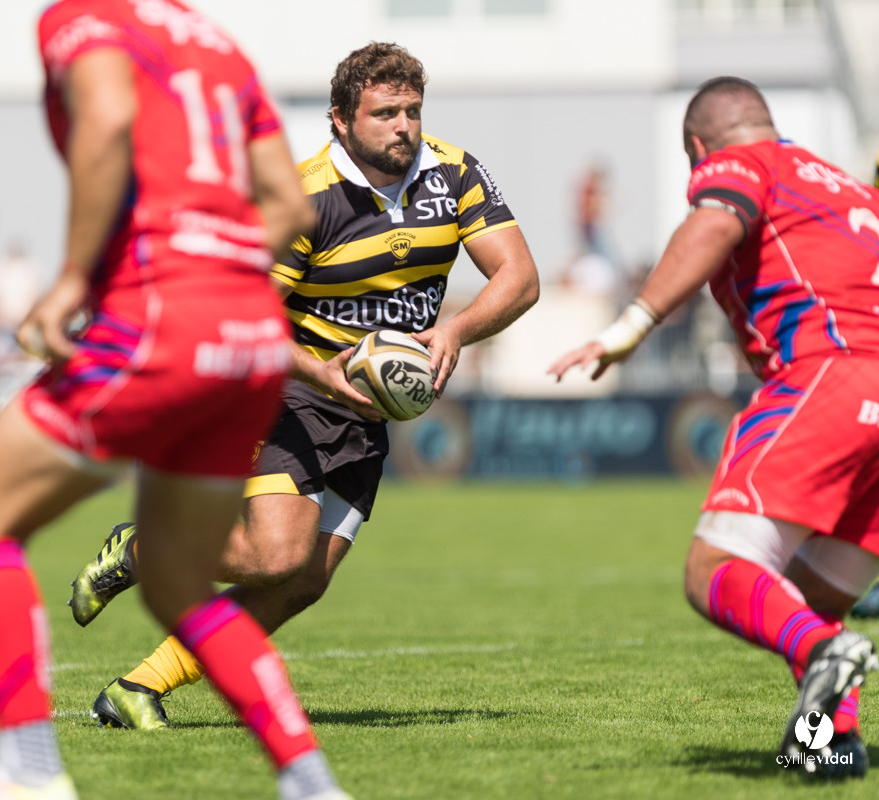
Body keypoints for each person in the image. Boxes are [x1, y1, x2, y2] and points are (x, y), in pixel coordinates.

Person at [0, 2, 351, 798]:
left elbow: (107, 116)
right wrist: (222, 271)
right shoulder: (218, 43)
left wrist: (76, 280)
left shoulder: (82, 18)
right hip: (252, 335)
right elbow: (291, 208)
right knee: (174, 581)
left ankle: (28, 771)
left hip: (159, 318)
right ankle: (310, 783)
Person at [68, 41, 540, 731]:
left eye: (411, 110)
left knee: (304, 580)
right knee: (275, 554)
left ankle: (137, 688)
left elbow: (519, 278)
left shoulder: (454, 172)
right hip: (282, 384)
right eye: (384, 113)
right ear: (340, 121)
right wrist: (317, 370)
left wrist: (454, 332)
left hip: (364, 407)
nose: (403, 126)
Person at [548, 76, 879, 778]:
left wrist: (630, 326)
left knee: (716, 571)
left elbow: (716, 221)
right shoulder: (850, 191)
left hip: (832, 374)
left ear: (699, 148)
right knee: (810, 596)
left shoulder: (747, 164)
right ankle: (829, 740)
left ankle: (823, 655)